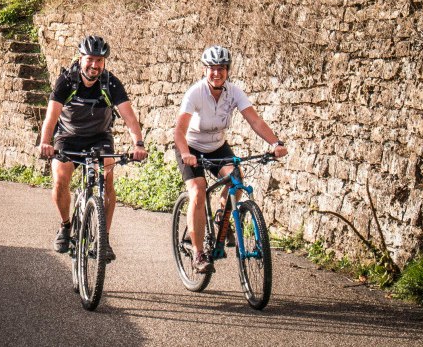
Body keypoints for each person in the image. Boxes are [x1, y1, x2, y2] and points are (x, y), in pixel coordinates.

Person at [175, 45, 288, 272]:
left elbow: (254, 121)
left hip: (217, 146)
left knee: (236, 179)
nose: (217, 73)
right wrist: (186, 154)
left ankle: (221, 218)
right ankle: (198, 255)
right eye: (212, 68)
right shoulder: (195, 93)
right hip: (191, 147)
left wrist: (275, 143)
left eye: (221, 68)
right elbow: (179, 130)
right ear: (205, 70)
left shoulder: (234, 92)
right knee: (197, 190)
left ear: (228, 71)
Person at [38, 35, 147, 260]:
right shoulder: (66, 81)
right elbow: (51, 118)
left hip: (100, 138)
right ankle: (65, 226)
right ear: (81, 58)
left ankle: (103, 238)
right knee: (60, 179)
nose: (94, 65)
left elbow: (129, 117)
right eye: (90, 60)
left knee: (107, 179)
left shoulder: (111, 83)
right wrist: (45, 142)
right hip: (68, 137)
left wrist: (138, 143)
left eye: (99, 60)